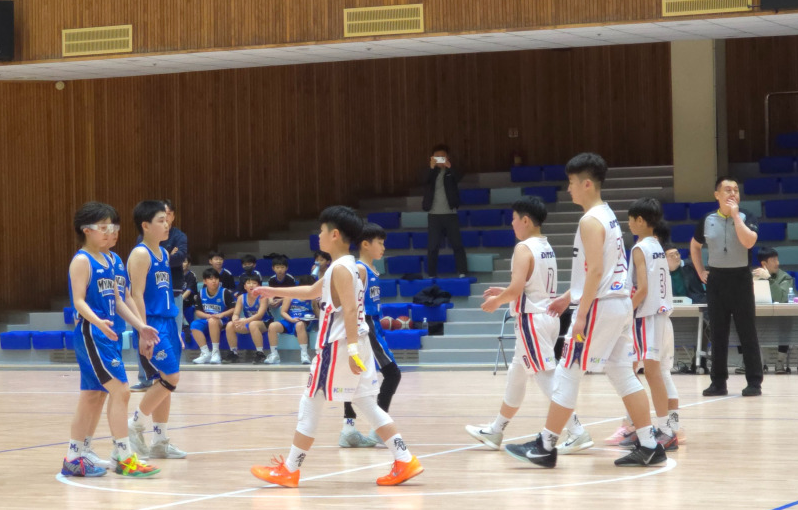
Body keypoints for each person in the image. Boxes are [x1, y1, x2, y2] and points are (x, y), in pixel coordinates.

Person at [504, 153, 665, 468]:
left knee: (568, 370)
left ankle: (545, 446)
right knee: (622, 372)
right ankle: (649, 444)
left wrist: (580, 314)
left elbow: (596, 271)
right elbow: (602, 269)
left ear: (587, 184)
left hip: (600, 307)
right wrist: (569, 296)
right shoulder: (608, 215)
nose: (568, 189)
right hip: (618, 304)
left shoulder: (590, 221)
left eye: (572, 182)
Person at [250, 206, 423, 487]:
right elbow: (311, 291)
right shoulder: (345, 266)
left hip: (340, 346)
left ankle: (290, 469)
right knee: (366, 403)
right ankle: (405, 459)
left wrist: (352, 350)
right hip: (355, 343)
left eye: (321, 230)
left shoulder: (342, 269)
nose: (318, 235)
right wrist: (271, 290)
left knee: (310, 401)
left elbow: (351, 309)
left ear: (335, 234)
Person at [465, 197, 590, 455]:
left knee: (545, 376)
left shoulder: (523, 248)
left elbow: (516, 290)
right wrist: (506, 292)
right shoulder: (546, 246)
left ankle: (577, 431)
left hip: (532, 321)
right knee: (517, 373)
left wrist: (497, 300)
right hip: (547, 317)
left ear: (525, 220)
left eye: (513, 219)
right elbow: (530, 287)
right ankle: (496, 430)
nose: (511, 223)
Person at [63, 202, 160, 479]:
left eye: (114, 227)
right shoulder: (82, 261)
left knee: (93, 395)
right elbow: (78, 301)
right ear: (86, 230)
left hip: (109, 334)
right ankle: (123, 456)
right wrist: (97, 322)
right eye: (104, 228)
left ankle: (75, 455)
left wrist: (141, 326)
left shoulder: (114, 260)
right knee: (122, 391)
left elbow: (120, 299)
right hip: (92, 334)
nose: (112, 232)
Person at [690, 177, 763, 397]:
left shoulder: (747, 216)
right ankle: (718, 382)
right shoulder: (707, 219)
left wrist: (735, 216)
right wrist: (700, 270)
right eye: (727, 190)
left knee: (747, 332)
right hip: (717, 280)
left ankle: (754, 382)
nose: (733, 194)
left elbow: (749, 242)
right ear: (717, 195)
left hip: (740, 279)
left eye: (736, 190)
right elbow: (695, 245)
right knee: (718, 333)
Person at [127, 201, 187, 460]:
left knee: (163, 382)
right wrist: (143, 330)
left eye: (167, 219)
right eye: (161, 220)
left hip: (168, 321)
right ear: (145, 225)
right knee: (171, 377)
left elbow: (164, 294)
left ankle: (160, 440)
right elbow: (136, 295)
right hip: (151, 323)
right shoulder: (140, 254)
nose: (167, 224)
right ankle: (135, 423)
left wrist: (177, 329)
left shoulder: (163, 252)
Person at [340, 222, 404, 449]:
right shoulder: (359, 269)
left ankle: (348, 429)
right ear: (365, 244)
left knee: (354, 378)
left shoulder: (372, 269)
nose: (384, 247)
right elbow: (349, 302)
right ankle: (378, 428)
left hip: (373, 323)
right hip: (365, 324)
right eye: (380, 243)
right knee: (393, 374)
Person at [625, 198, 681, 451]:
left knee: (650, 373)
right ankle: (656, 428)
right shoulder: (657, 246)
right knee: (653, 373)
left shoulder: (640, 248)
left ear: (640, 220)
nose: (628, 224)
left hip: (646, 315)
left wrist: (625, 311)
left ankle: (664, 430)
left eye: (630, 219)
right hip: (660, 314)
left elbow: (643, 289)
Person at [422, 144, 467, 278]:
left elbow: (459, 177)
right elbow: (423, 179)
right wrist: (431, 167)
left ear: (447, 157)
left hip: (450, 214)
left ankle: (463, 272)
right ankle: (431, 274)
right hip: (434, 215)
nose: (440, 159)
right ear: (432, 158)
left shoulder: (451, 171)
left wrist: (449, 167)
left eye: (442, 156)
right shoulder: (430, 172)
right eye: (437, 157)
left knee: (457, 244)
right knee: (433, 246)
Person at [753, 247, 794, 374]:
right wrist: (753, 281)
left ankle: (780, 360)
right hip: (760, 316)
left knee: (786, 320)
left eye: (777, 259)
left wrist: (769, 280)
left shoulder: (785, 278)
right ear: (764, 263)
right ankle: (753, 360)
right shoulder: (755, 275)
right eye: (773, 260)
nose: (777, 263)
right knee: (740, 319)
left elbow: (782, 298)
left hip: (780, 318)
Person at [190, 268, 236, 364]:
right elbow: (198, 311)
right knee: (194, 324)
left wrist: (221, 314)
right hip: (207, 319)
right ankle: (205, 353)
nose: (214, 281)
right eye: (211, 279)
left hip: (222, 320)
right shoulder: (201, 293)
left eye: (216, 278)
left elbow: (233, 309)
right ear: (205, 281)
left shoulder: (225, 292)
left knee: (213, 321)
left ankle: (215, 352)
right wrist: (207, 316)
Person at [225, 273, 272, 364]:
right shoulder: (241, 298)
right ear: (245, 286)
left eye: (254, 283)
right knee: (230, 325)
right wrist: (235, 320)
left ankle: (260, 354)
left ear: (259, 286)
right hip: (249, 322)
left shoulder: (263, 297)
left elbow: (259, 315)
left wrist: (245, 320)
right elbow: (236, 313)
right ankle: (233, 353)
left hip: (265, 322)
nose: (251, 285)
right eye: (248, 283)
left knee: (253, 324)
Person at [275, 275, 320, 365]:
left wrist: (322, 320)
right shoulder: (290, 296)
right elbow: (283, 312)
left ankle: (304, 354)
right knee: (273, 326)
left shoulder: (313, 298)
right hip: (289, 320)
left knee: (300, 325)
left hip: (305, 322)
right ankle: (274, 354)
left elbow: (316, 311)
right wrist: (291, 319)